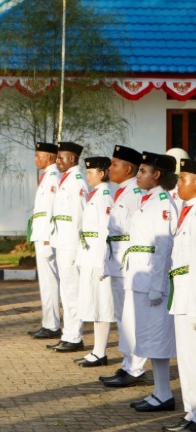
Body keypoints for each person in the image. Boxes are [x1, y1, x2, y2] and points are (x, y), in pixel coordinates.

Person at [117, 152, 177, 412]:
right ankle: (159, 392)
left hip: (153, 279)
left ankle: (164, 395)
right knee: (148, 338)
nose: (138, 175)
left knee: (157, 337)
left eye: (143, 171)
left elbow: (163, 246)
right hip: (140, 275)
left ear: (157, 175)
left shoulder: (162, 202)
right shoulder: (148, 200)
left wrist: (157, 285)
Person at [98, 145, 147, 387]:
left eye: (114, 164)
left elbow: (136, 230)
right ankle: (128, 363)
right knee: (121, 316)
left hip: (128, 261)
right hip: (116, 260)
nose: (109, 168)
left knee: (131, 317)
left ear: (128, 169)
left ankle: (136, 368)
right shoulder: (122, 192)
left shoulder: (135, 192)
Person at [162, 158, 196, 431]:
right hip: (182, 294)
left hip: (192, 299)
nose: (178, 183)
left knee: (192, 359)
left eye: (183, 178)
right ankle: (191, 414)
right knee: (186, 359)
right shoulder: (187, 210)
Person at [47, 141, 88, 352]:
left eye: (61, 157)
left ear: (72, 159)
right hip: (62, 240)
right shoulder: (66, 179)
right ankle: (68, 334)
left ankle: (74, 336)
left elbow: (81, 215)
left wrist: (76, 243)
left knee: (72, 291)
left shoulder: (78, 181)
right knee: (66, 290)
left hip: (71, 242)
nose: (58, 161)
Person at [74, 157, 114, 367]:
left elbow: (106, 231)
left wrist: (103, 262)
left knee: (103, 305)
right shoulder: (96, 194)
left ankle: (101, 351)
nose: (87, 175)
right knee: (95, 305)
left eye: (90, 172)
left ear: (101, 173)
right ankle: (97, 350)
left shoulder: (104, 196)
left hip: (98, 257)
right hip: (90, 255)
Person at [27, 142, 62, 339]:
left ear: (49, 157)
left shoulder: (53, 177)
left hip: (47, 236)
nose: (35, 159)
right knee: (46, 282)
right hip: (41, 234)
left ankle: (52, 324)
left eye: (38, 155)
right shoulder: (47, 177)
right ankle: (48, 322)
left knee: (50, 282)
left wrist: (49, 238)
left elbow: (53, 209)